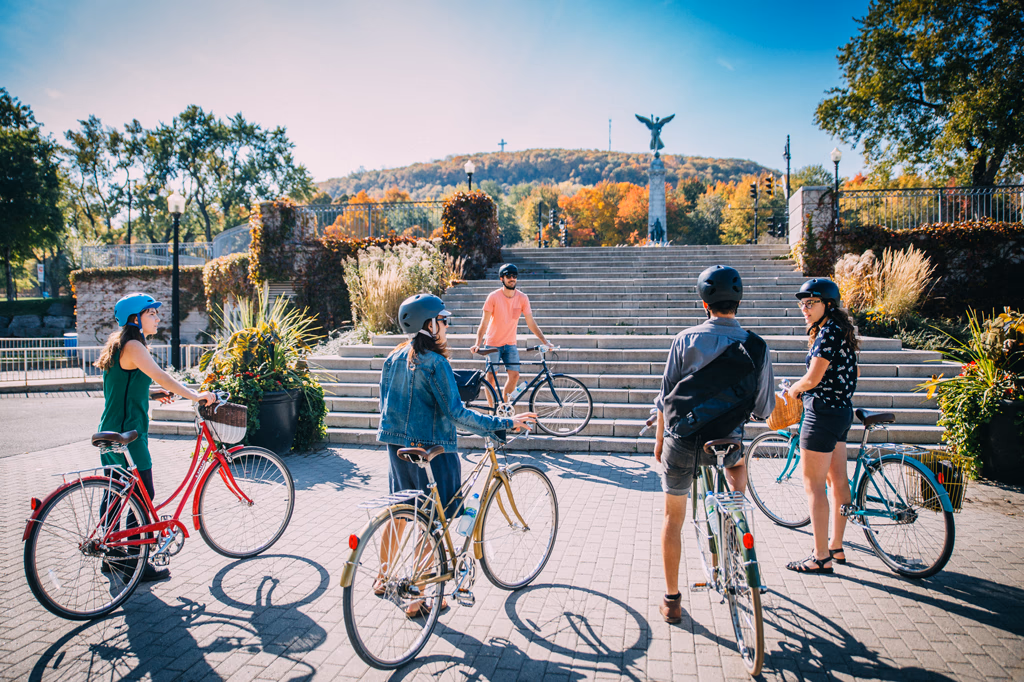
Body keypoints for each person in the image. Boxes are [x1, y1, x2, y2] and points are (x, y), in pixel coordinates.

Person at [377, 293, 536, 617]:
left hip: (398, 448)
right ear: (431, 324)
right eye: (443, 320)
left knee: (404, 510)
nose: (447, 326)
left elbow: (384, 405)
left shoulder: (394, 358)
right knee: (433, 521)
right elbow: (456, 413)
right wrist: (505, 423)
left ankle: (382, 578)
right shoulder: (435, 362)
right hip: (434, 450)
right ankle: (417, 597)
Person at [653, 266, 775, 623]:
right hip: (727, 440)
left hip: (684, 442)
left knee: (672, 519)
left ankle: (672, 601)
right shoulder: (757, 346)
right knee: (737, 464)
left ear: (703, 303)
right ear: (738, 302)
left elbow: (666, 399)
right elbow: (764, 408)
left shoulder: (685, 340)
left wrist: (660, 441)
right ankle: (737, 514)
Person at [95, 293, 217, 582]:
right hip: (130, 434)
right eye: (152, 313)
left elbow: (122, 388)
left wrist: (151, 393)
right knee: (142, 495)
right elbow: (162, 375)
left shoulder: (121, 345)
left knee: (115, 495)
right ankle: (135, 563)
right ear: (135, 318)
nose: (158, 318)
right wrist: (197, 395)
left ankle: (111, 555)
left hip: (112, 428)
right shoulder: (135, 345)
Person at [784, 278, 859, 574]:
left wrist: (794, 390)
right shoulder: (841, 331)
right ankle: (837, 546)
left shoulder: (827, 333)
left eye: (810, 303)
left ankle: (820, 556)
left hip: (821, 414)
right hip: (841, 411)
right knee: (838, 480)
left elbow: (813, 378)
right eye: (802, 303)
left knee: (814, 485)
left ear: (828, 304)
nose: (804, 308)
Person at [470, 263, 551, 402]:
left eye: (514, 276)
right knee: (491, 379)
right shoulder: (493, 297)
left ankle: (504, 408)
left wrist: (545, 341)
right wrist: (477, 343)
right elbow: (484, 323)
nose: (512, 278)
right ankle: (492, 412)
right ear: (502, 278)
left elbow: (531, 322)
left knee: (515, 376)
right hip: (493, 343)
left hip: (510, 343)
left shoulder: (523, 298)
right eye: (508, 276)